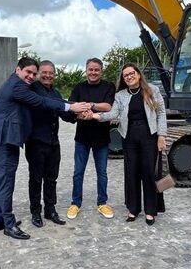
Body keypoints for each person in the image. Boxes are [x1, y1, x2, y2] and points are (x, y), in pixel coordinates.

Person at [0, 57, 90, 240]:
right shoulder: (19, 86)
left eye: (33, 74)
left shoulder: (26, 86)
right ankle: (8, 224)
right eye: (29, 72)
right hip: (6, 140)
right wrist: (71, 105)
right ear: (17, 69)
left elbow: (58, 109)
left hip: (10, 140)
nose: (31, 76)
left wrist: (76, 113)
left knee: (2, 180)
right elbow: (42, 102)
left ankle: (0, 219)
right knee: (7, 182)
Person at [90, 63, 167, 226]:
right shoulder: (120, 95)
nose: (129, 76)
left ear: (138, 75)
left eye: (132, 73)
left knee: (149, 173)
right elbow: (113, 113)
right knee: (131, 173)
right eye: (126, 75)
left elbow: (161, 112)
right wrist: (96, 116)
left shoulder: (152, 90)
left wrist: (162, 136)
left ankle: (150, 211)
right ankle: (133, 208)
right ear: (123, 79)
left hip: (149, 136)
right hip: (129, 138)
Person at [26, 60, 75, 228]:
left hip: (54, 143)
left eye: (51, 73)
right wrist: (71, 107)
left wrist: (80, 114)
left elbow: (65, 113)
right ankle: (35, 211)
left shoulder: (55, 92)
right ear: (38, 74)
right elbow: (47, 104)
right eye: (44, 72)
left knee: (51, 178)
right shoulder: (32, 90)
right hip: (36, 142)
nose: (47, 76)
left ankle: (50, 209)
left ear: (54, 75)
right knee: (36, 179)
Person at [66, 58, 116, 220]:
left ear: (101, 71)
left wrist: (88, 105)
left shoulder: (109, 86)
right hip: (82, 138)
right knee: (78, 172)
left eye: (97, 70)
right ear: (86, 70)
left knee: (102, 173)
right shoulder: (78, 87)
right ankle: (75, 203)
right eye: (90, 69)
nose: (93, 72)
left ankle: (102, 202)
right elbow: (72, 107)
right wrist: (84, 114)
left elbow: (108, 107)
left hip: (102, 138)